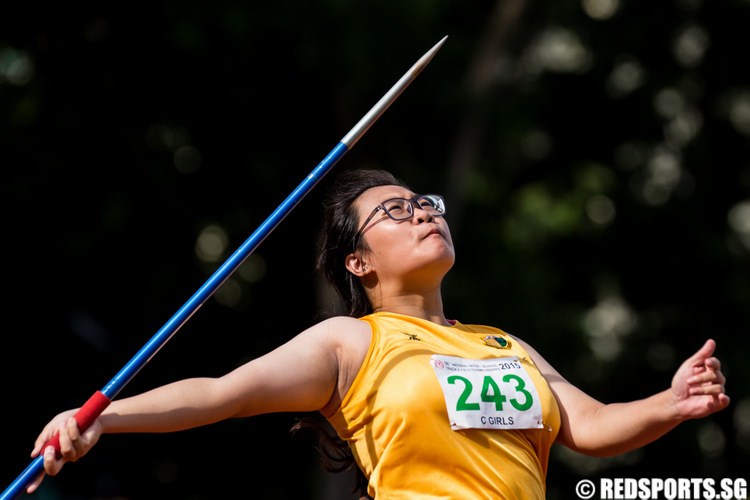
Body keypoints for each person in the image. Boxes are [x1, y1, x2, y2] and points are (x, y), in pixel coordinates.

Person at [28, 169, 729, 499]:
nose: (425, 213)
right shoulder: (350, 344)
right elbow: (221, 394)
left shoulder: (505, 346)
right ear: (358, 263)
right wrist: (103, 418)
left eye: (427, 203)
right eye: (398, 211)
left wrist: (673, 403)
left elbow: (596, 424)